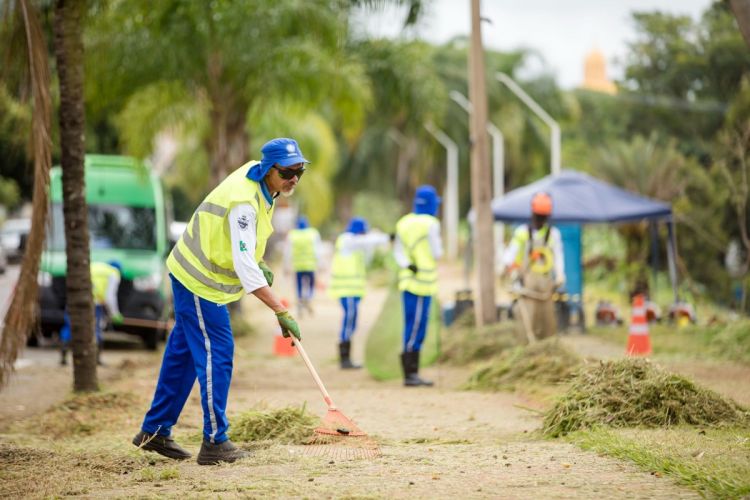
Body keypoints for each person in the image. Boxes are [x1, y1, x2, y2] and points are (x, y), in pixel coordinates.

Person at [132, 138, 307, 466]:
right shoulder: (244, 201)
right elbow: (243, 267)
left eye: (300, 171)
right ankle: (215, 441)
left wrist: (260, 262)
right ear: (269, 168)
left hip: (196, 277)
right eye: (287, 171)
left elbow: (243, 247)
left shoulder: (264, 188)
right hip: (198, 281)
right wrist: (280, 310)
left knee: (183, 355)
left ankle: (154, 431)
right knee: (218, 353)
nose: (294, 178)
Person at [393, 185, 443, 387]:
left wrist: (408, 264)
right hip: (424, 285)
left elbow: (397, 252)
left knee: (409, 325)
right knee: (417, 327)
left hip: (407, 282)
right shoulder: (431, 223)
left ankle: (410, 373)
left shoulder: (403, 222)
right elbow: (438, 253)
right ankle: (411, 374)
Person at [501, 191, 566, 340]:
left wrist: (561, 274)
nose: (540, 220)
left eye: (543, 217)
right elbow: (510, 255)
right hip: (527, 286)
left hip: (546, 285)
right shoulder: (522, 233)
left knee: (547, 323)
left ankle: (547, 347)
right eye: (538, 216)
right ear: (533, 214)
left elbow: (558, 256)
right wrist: (506, 269)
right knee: (526, 322)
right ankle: (526, 347)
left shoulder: (553, 234)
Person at [328, 217, 389, 369]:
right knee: (348, 321)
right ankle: (344, 359)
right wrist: (385, 237)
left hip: (353, 291)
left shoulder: (356, 247)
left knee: (352, 322)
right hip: (346, 291)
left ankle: (347, 357)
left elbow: (368, 249)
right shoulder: (347, 240)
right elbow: (367, 241)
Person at [59, 260, 123, 367]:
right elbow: (110, 297)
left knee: (70, 325)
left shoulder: (93, 265)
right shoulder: (113, 273)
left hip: (73, 299)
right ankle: (96, 359)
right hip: (94, 303)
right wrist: (115, 314)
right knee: (95, 329)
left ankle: (63, 355)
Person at [285, 215, 321, 317]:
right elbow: (317, 250)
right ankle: (309, 298)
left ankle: (300, 300)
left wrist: (286, 266)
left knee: (299, 285)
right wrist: (320, 263)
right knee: (311, 284)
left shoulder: (292, 235)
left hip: (298, 266)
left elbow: (288, 252)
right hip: (310, 265)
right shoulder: (313, 233)